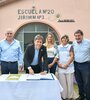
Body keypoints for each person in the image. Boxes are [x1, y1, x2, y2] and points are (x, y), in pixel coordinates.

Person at [73, 30, 90, 100]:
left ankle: (88, 97)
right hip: (76, 64)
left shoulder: (88, 42)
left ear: (82, 36)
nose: (77, 37)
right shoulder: (74, 43)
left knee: (87, 83)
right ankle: (81, 96)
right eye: (76, 36)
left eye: (79, 36)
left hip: (86, 65)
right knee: (79, 82)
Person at [57, 35, 75, 100]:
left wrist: (66, 64)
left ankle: (70, 97)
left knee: (69, 83)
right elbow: (57, 57)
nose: (64, 40)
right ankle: (64, 97)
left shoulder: (70, 46)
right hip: (61, 68)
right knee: (62, 83)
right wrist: (59, 64)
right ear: (61, 40)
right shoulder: (58, 47)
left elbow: (72, 56)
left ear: (67, 40)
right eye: (63, 39)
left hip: (69, 67)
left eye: (65, 39)